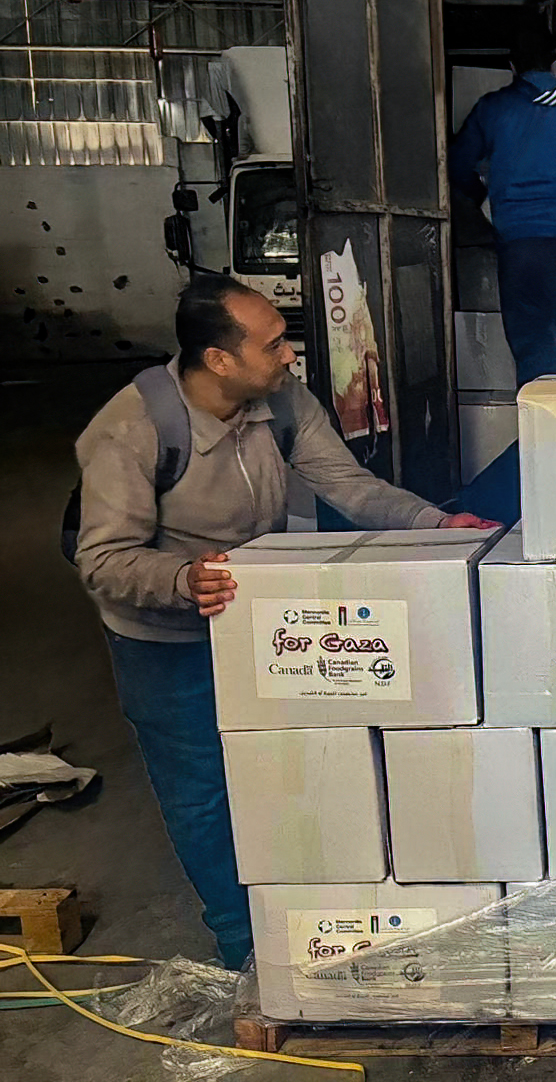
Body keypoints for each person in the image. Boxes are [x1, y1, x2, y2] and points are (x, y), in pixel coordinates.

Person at [74, 276, 497, 967]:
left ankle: (305, 924)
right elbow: (103, 558)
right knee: (203, 794)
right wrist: (181, 580)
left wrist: (437, 522)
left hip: (255, 622)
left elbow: (349, 486)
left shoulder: (281, 402)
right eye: (272, 345)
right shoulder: (133, 430)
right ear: (219, 360)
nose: (290, 355)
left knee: (284, 773)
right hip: (165, 641)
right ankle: (248, 954)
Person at [448, 29, 556, 387]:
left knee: (529, 348)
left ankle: (535, 430)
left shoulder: (492, 107)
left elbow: (457, 165)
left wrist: (483, 196)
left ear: (511, 65)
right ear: (553, 63)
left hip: (515, 245)